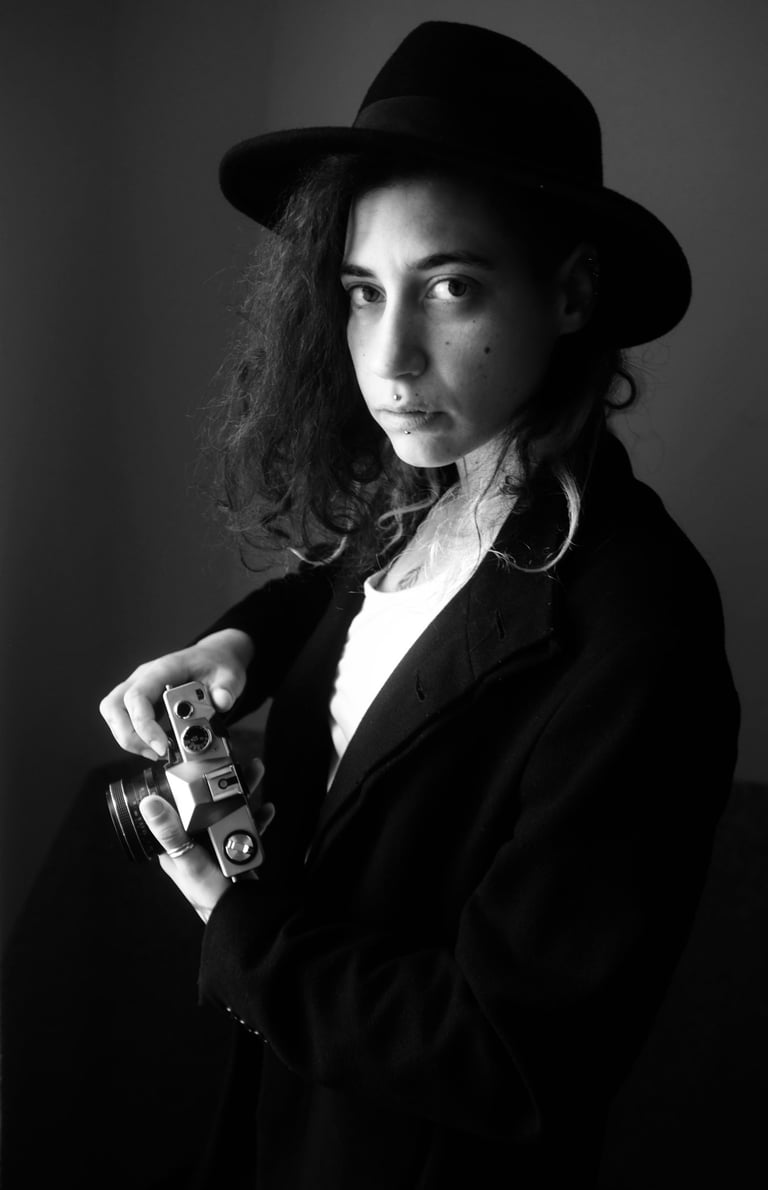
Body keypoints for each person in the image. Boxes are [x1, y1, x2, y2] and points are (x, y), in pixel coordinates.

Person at [99, 21, 740, 1190]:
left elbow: (512, 1054)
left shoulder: (644, 626)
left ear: (572, 292)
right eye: (360, 291)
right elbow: (353, 595)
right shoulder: (434, 494)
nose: (388, 356)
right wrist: (237, 643)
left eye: (449, 286)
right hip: (280, 1121)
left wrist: (233, 921)